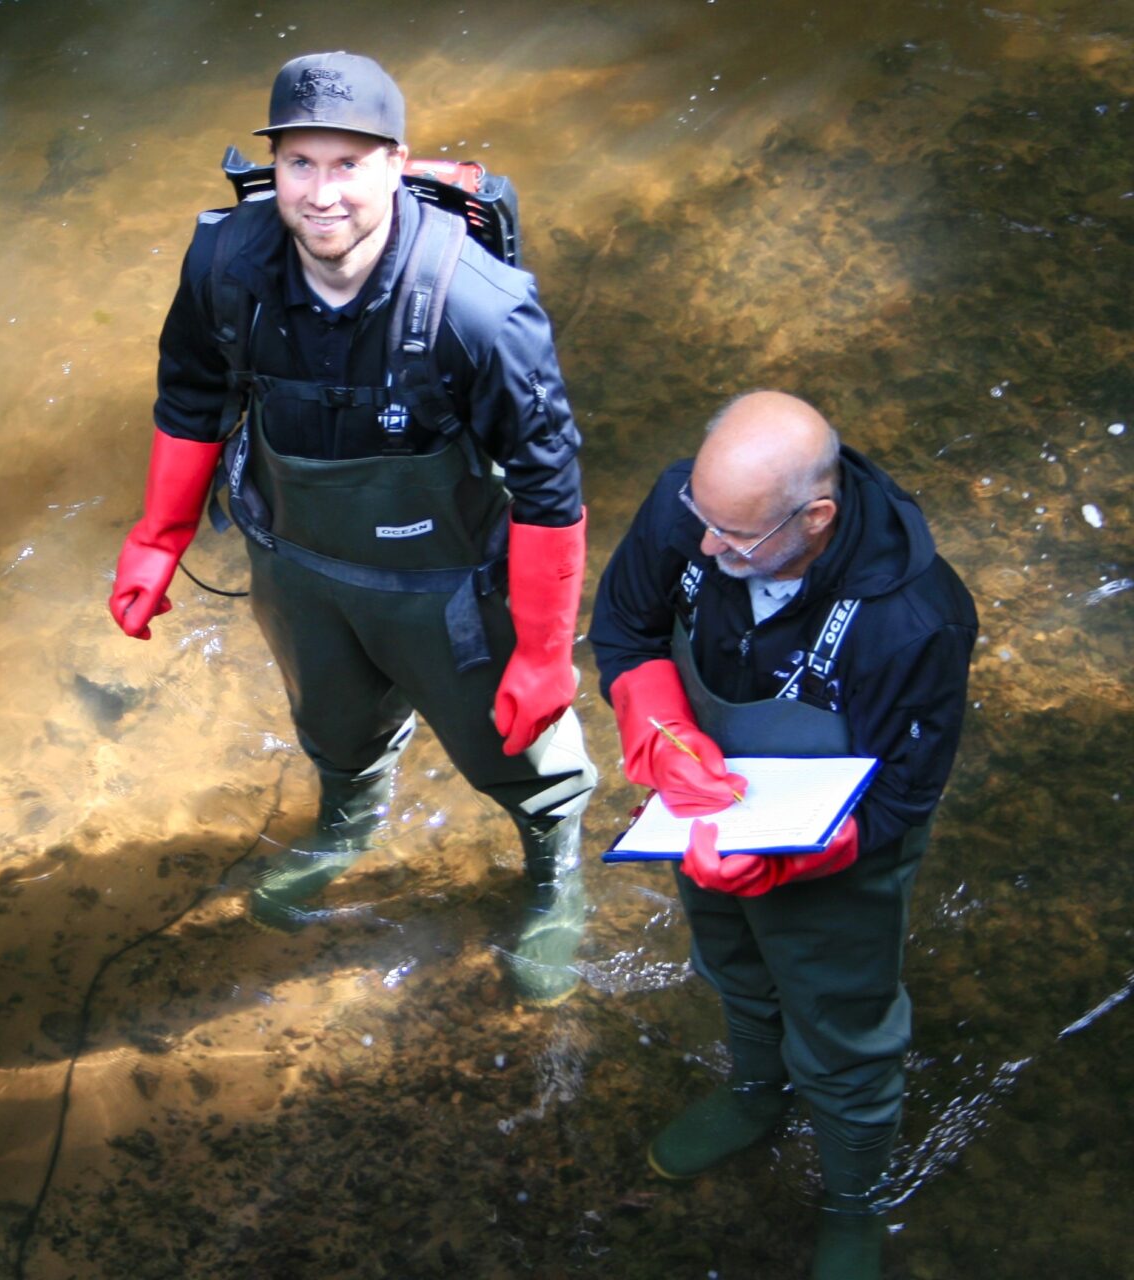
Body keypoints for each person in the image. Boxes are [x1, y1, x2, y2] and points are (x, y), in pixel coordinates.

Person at [108, 52, 595, 1002]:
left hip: (444, 581)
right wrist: (159, 536)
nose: (321, 194)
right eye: (299, 164)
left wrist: (541, 653)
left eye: (348, 165)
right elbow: (192, 389)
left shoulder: (477, 308)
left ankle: (551, 875)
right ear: (274, 167)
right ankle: (347, 821)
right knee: (331, 725)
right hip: (295, 562)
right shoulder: (225, 265)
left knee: (519, 754)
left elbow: (548, 487)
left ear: (395, 163)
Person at [589, 391, 977, 1279]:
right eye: (704, 523)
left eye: (739, 538)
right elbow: (626, 627)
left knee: (845, 1030)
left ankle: (853, 1201)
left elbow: (903, 800)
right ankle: (757, 1092)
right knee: (729, 963)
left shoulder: (915, 618)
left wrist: (797, 857)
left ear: (817, 517)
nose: (711, 550)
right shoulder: (689, 509)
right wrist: (657, 729)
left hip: (840, 853)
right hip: (702, 806)